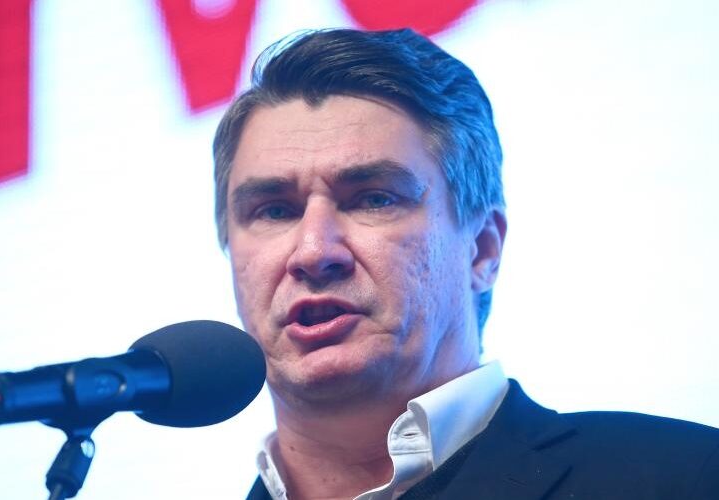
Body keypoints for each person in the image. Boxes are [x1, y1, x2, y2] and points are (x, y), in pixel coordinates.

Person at [211, 28, 719, 499]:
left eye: (374, 199)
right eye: (274, 211)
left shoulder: (688, 476)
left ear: (482, 250)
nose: (314, 252)